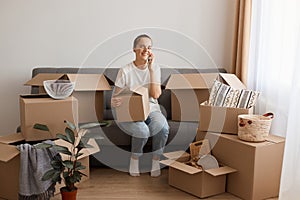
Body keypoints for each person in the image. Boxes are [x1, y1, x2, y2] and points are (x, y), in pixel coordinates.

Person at [111, 34, 169, 177]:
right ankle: (135, 158)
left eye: (149, 47)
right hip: (131, 110)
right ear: (134, 49)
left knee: (163, 127)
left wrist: (151, 69)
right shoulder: (125, 70)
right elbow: (115, 96)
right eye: (142, 46)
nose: (146, 50)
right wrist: (114, 101)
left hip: (152, 109)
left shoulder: (155, 68)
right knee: (142, 131)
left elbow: (155, 95)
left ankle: (156, 160)